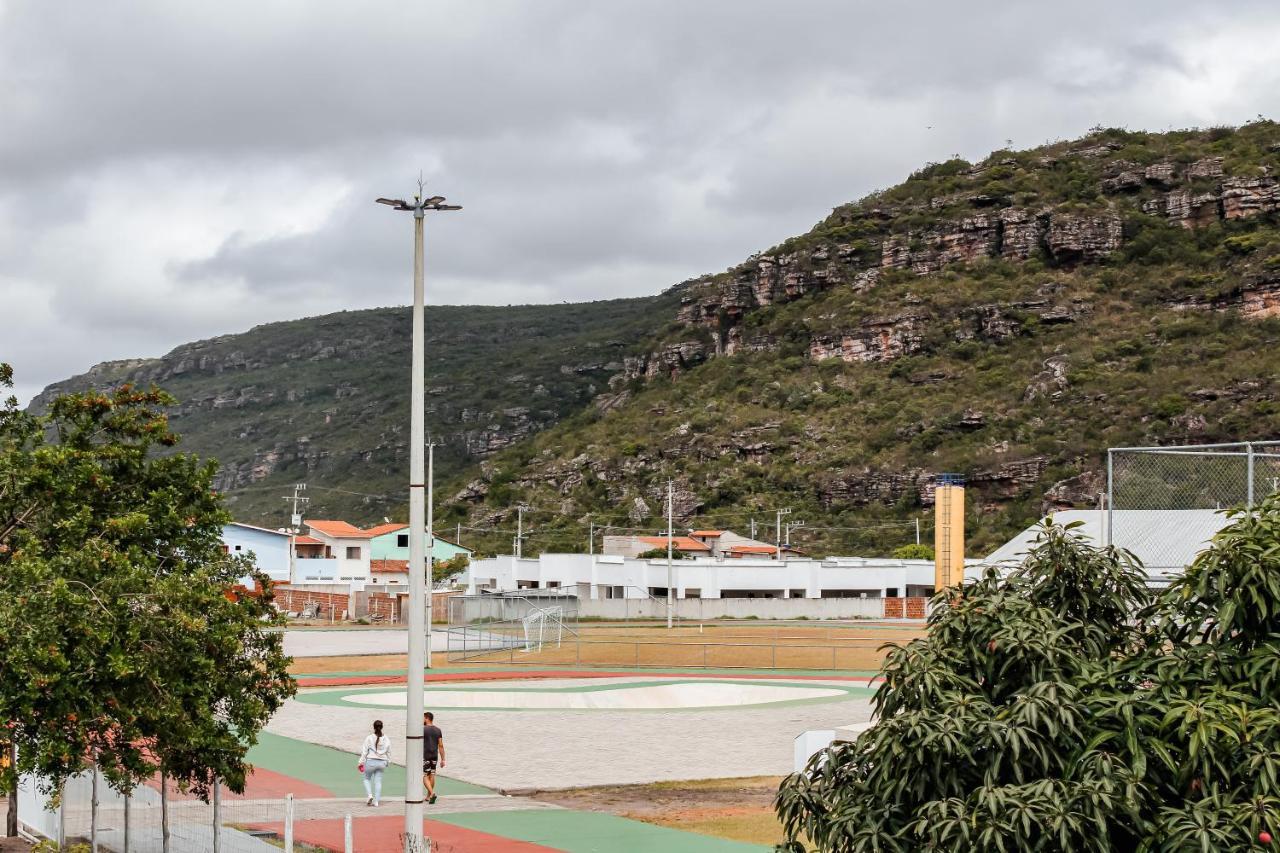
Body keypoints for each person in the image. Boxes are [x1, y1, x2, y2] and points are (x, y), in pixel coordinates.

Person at [359, 719, 391, 806]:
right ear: (382, 727)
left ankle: (369, 795)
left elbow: (364, 751)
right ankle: (376, 801)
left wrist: (360, 762)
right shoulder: (386, 738)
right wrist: (388, 761)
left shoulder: (369, 738)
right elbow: (389, 751)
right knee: (378, 781)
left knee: (366, 779)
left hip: (371, 761)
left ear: (373, 727)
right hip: (382, 762)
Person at [422, 711, 445, 805]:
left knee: (425, 776)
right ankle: (428, 796)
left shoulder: (423, 729)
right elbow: (440, 745)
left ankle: (432, 793)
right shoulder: (438, 730)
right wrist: (443, 759)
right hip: (434, 755)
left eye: (423, 718)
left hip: (426, 755)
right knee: (432, 774)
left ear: (427, 718)